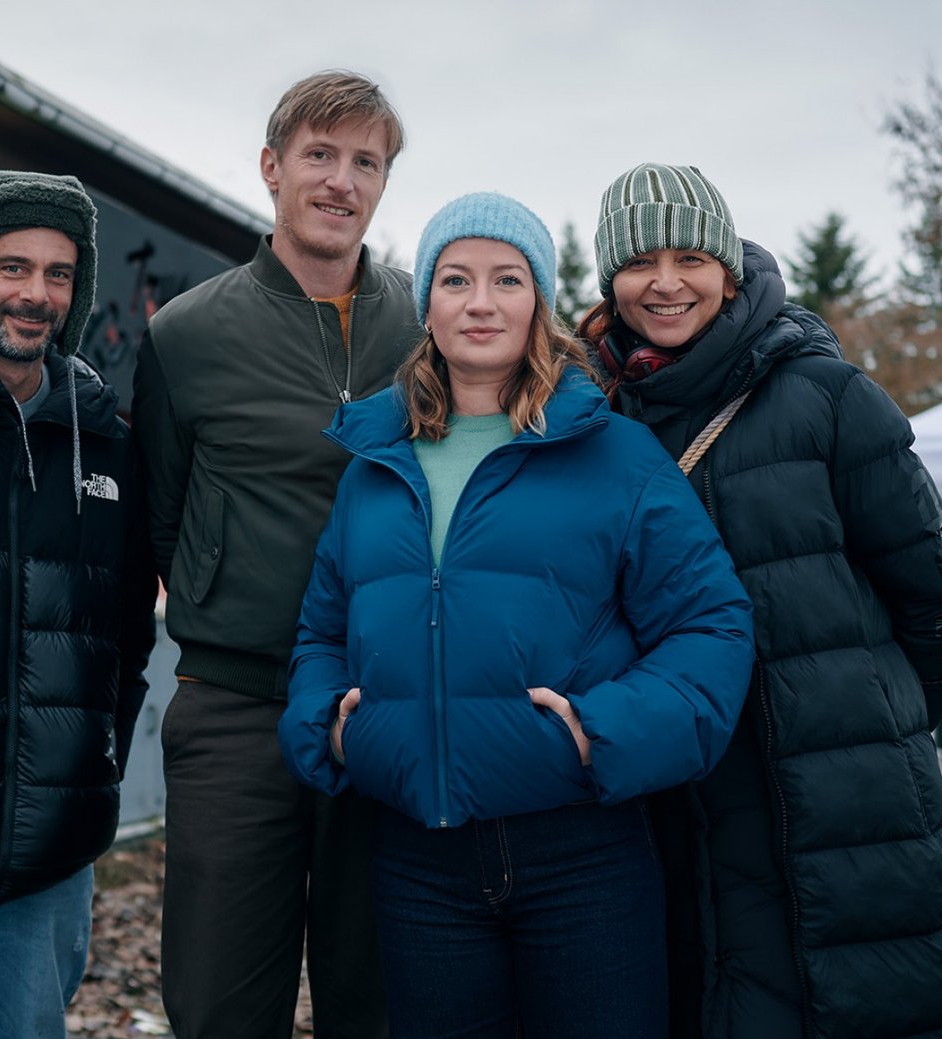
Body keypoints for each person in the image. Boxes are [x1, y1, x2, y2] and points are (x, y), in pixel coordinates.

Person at [278, 192, 755, 1039]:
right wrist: (332, 729)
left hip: (581, 853)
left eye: (507, 278)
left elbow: (710, 627)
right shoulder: (373, 465)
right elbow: (321, 632)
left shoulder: (614, 453)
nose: (481, 301)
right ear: (426, 302)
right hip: (417, 860)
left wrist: (596, 733)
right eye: (455, 279)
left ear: (537, 299)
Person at [579, 162, 942, 1039]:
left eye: (689, 257)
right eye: (640, 263)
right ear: (609, 281)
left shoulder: (823, 396)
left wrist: (869, 727)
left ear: (728, 269)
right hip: (684, 791)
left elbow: (928, 592)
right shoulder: (598, 421)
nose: (665, 282)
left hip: (841, 790)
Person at [132, 70, 417, 1039]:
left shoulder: (425, 326)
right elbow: (160, 518)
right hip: (235, 712)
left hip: (382, 705)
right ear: (272, 168)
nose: (341, 180)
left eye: (364, 161)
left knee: (375, 994)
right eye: (320, 155)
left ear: (382, 183)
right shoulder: (186, 334)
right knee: (219, 1000)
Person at [0, 169, 156, 1039]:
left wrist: (96, 767)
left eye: (58, 273)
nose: (35, 294)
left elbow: (124, 637)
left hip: (48, 855)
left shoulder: (106, 440)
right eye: (13, 267)